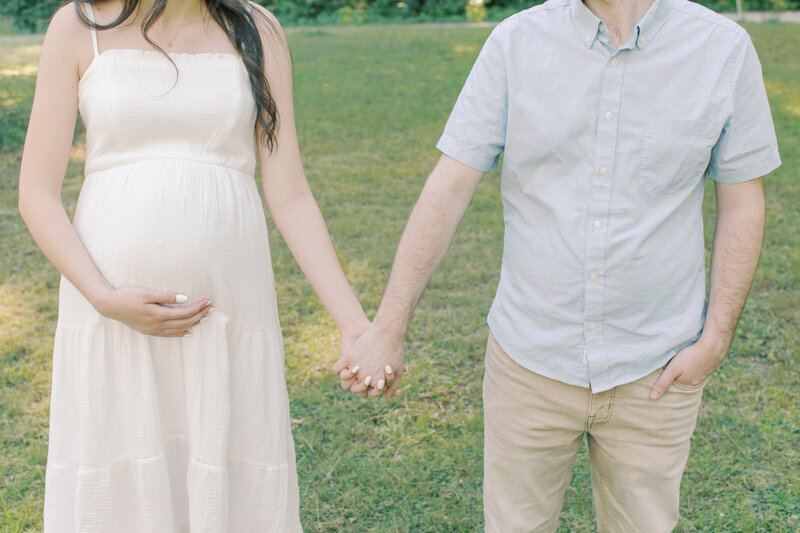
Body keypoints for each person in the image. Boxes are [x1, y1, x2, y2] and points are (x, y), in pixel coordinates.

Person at [333, 0, 781, 529]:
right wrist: (388, 327)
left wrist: (716, 339)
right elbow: (448, 188)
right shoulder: (514, 42)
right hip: (528, 362)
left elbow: (742, 202)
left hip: (657, 367)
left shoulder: (722, 49)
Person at [18, 0, 370, 530]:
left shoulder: (258, 28)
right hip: (111, 317)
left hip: (226, 313)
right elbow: (36, 192)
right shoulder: (78, 24)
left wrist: (353, 324)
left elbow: (290, 192)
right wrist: (102, 297)